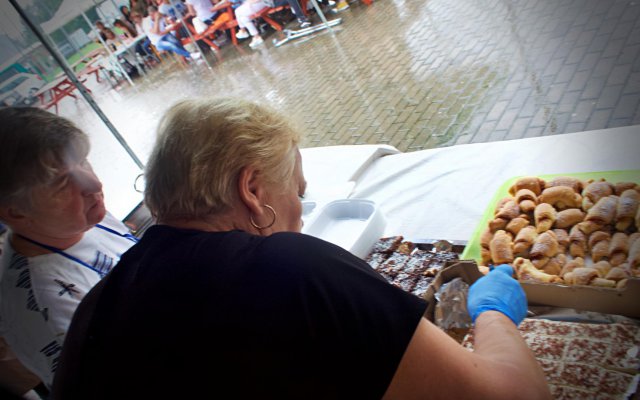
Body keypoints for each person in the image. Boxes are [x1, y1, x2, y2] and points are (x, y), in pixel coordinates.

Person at [52, 98, 550, 399]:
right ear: (252, 190)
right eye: (297, 192)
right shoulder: (288, 270)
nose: (300, 210)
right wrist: (492, 317)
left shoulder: (93, 312)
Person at [0, 107, 138, 390]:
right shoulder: (50, 307)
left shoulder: (80, 217)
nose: (94, 184)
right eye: (62, 183)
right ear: (15, 213)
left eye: (84, 161)